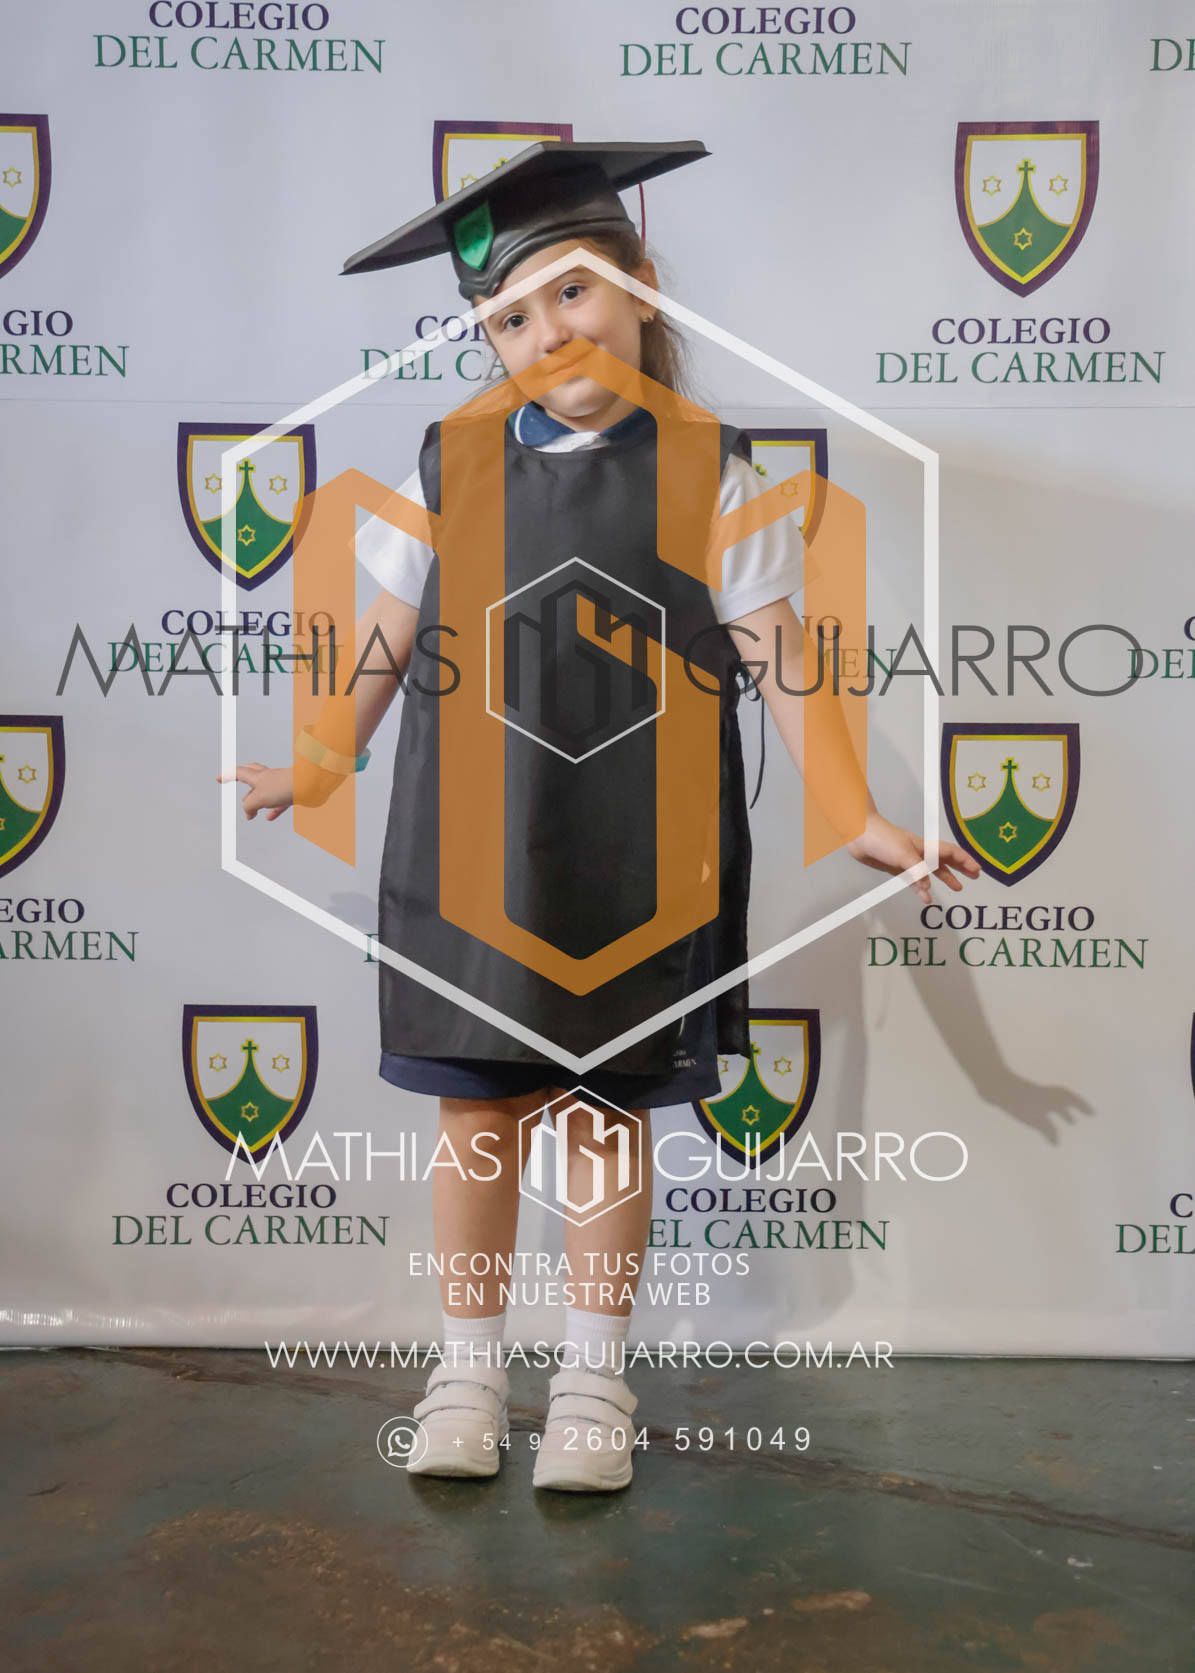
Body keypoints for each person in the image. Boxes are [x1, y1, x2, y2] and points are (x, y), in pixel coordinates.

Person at [220, 139, 980, 1493]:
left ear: (639, 287)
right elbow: (384, 636)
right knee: (478, 1115)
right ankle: (466, 1368)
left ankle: (591, 1377)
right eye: (508, 317)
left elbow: (782, 655)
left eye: (571, 292)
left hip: (640, 851)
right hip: (469, 847)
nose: (547, 332)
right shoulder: (450, 461)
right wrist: (321, 766)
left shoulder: (712, 471)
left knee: (600, 1117)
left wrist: (856, 811)